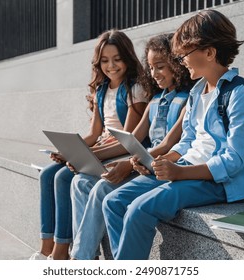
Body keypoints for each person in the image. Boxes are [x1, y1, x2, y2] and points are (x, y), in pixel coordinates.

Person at [102, 9, 244, 260]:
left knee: (139, 209)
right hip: (186, 167)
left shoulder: (241, 96)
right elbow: (188, 141)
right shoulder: (196, 92)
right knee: (113, 202)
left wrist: (180, 173)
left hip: (218, 183)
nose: (181, 62)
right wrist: (165, 160)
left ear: (210, 53)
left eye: (184, 55)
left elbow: (234, 161)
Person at [69, 33, 194, 260]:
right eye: (151, 67)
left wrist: (128, 164)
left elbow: (169, 144)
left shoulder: (187, 99)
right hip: (143, 164)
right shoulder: (155, 100)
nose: (154, 74)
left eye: (160, 66)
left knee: (104, 190)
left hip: (162, 167)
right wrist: (115, 159)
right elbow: (133, 140)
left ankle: (84, 260)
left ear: (177, 64)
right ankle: (84, 259)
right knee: (84, 182)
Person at [30, 29, 148, 260]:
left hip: (116, 155)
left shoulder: (135, 90)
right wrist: (69, 150)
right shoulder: (102, 91)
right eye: (105, 60)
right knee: (47, 174)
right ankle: (47, 248)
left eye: (117, 59)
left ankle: (62, 251)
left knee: (64, 177)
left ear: (127, 58)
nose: (111, 65)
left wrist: (85, 154)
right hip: (100, 151)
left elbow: (128, 139)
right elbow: (94, 133)